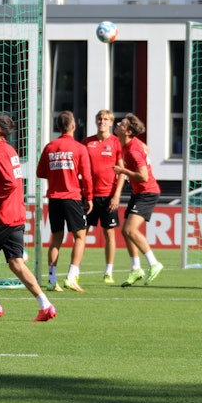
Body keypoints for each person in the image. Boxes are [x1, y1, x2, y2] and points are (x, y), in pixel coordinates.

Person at [0, 113, 57, 322]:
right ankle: (46, 305)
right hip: (15, 215)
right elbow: (9, 180)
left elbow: (10, 184)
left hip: (2, 217)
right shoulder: (7, 150)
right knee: (16, 263)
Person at [37, 110, 92, 292]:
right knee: (80, 236)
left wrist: (57, 174)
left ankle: (52, 279)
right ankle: (71, 276)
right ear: (73, 126)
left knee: (56, 239)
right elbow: (87, 176)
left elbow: (40, 172)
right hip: (72, 197)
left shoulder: (50, 147)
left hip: (54, 198)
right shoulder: (79, 148)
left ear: (58, 127)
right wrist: (89, 197)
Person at [115, 113, 164, 286]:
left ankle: (154, 263)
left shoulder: (133, 150)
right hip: (138, 192)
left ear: (128, 131)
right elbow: (146, 149)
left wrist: (124, 171)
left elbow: (143, 176)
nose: (118, 123)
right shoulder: (130, 144)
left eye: (122, 123)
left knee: (130, 230)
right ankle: (136, 268)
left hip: (147, 192)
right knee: (125, 231)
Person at [83, 109, 124, 285]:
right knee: (81, 234)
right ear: (95, 121)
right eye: (99, 118)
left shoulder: (116, 143)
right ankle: (75, 271)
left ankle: (108, 271)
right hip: (89, 197)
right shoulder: (87, 142)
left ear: (111, 123)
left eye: (106, 119)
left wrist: (116, 196)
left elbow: (122, 172)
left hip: (108, 197)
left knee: (109, 234)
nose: (102, 121)